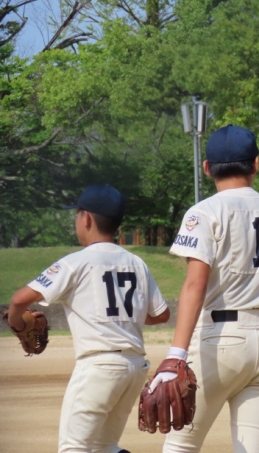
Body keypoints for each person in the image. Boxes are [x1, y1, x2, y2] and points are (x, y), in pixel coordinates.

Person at [155, 124, 259, 453]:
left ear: (207, 168)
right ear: (256, 164)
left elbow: (195, 283)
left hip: (220, 339)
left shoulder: (205, 212)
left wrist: (176, 355)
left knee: (180, 446)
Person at [6, 184, 170, 453]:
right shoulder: (136, 263)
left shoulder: (76, 262)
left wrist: (17, 324)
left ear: (87, 219)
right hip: (134, 367)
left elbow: (18, 300)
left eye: (77, 214)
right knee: (104, 447)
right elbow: (161, 314)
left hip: (99, 367)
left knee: (73, 447)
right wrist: (123, 318)